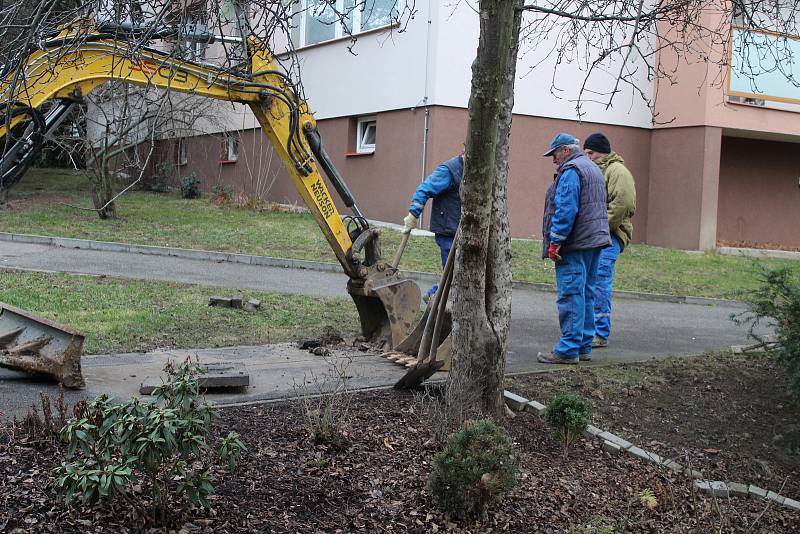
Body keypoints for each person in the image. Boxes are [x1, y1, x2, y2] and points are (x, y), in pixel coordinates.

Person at [538, 133, 610, 364]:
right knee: (587, 292)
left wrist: (556, 241)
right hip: (594, 241)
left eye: (555, 154)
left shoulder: (571, 171)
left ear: (566, 151)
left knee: (570, 294)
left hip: (575, 243)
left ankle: (568, 349)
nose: (553, 159)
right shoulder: (592, 168)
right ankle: (583, 345)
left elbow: (566, 209)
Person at [583, 132, 636, 349]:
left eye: (590, 153)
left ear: (600, 152)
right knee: (592, 281)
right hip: (598, 235)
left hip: (610, 235)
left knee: (600, 281)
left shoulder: (617, 171)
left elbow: (624, 203)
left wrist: (602, 226)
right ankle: (590, 330)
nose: (588, 157)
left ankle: (600, 333)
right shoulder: (599, 170)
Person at [402, 150, 463, 301]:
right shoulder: (449, 170)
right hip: (447, 229)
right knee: (452, 272)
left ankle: (437, 296)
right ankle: (433, 297)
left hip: (459, 229)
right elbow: (425, 188)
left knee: (457, 272)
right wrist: (413, 214)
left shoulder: (474, 169)